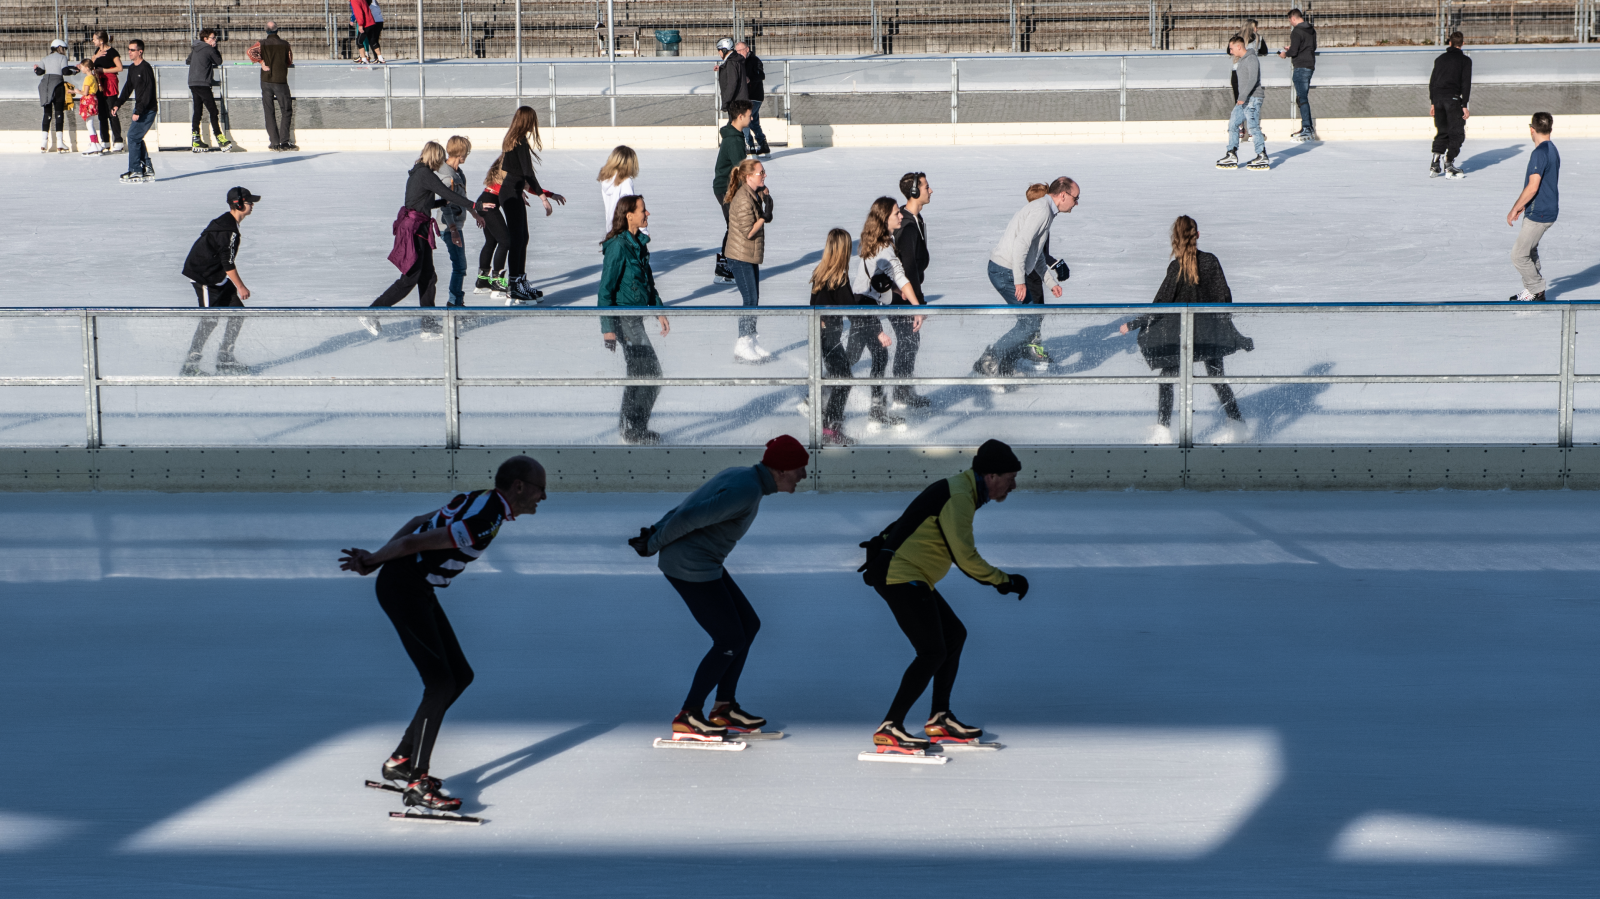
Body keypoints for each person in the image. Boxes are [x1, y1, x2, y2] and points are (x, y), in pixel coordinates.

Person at [339, 455, 547, 813]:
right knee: (440, 684)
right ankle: (418, 781)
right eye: (541, 489)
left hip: (413, 587)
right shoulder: (486, 517)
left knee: (460, 676)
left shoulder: (481, 496)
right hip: (404, 589)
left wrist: (376, 560)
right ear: (519, 487)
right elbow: (412, 543)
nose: (543, 497)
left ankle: (402, 760)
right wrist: (374, 562)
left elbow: (417, 522)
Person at [626, 435, 810, 739]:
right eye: (799, 469)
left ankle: (724, 708)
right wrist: (653, 543)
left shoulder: (743, 476)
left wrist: (655, 532)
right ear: (780, 471)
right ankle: (689, 714)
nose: (804, 475)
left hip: (703, 562)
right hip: (689, 565)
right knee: (728, 639)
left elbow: (688, 505)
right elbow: (688, 515)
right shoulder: (746, 490)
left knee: (748, 626)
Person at [857, 439, 1029, 754]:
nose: (1014, 485)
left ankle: (939, 718)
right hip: (901, 576)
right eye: (1010, 477)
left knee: (953, 636)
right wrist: (1003, 580)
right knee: (931, 651)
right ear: (991, 476)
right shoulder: (960, 496)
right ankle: (890, 727)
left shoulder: (961, 490)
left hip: (912, 576)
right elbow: (965, 557)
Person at [1120, 215, 1250, 444]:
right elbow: (1225, 299)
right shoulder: (1211, 261)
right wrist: (1228, 331)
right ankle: (1237, 423)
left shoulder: (1176, 267)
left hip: (1179, 337)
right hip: (1210, 335)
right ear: (1197, 235)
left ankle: (1163, 429)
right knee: (1217, 377)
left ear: (1175, 239)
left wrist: (1134, 324)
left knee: (1167, 379)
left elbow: (1161, 304)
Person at [363, 141, 484, 338]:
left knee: (428, 277)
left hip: (420, 228)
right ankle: (373, 311)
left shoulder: (419, 173)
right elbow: (447, 193)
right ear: (435, 157)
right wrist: (474, 205)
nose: (441, 162)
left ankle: (428, 326)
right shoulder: (424, 173)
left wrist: (441, 202)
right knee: (410, 278)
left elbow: (420, 201)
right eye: (440, 158)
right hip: (414, 230)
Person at [978, 176, 1077, 380]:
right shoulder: (1042, 210)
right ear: (1063, 195)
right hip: (1003, 269)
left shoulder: (1047, 211)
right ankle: (990, 360)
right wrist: (1019, 281)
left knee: (1028, 322)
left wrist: (1050, 282)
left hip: (1006, 269)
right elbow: (1021, 244)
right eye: (1076, 198)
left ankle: (1002, 366)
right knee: (1030, 323)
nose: (1077, 202)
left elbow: (1036, 253)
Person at [599, 195, 670, 445]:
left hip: (635, 318)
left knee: (639, 374)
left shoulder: (639, 243)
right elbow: (605, 290)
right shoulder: (618, 246)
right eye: (642, 210)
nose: (647, 213)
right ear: (629, 215)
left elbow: (648, 283)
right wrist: (607, 328)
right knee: (651, 374)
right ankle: (634, 428)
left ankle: (630, 427)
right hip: (623, 319)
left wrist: (658, 310)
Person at [849, 197, 920, 427]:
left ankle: (818, 396)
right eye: (896, 213)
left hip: (862, 304)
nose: (901, 216)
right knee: (875, 356)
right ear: (884, 219)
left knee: (854, 357)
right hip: (864, 307)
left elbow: (883, 278)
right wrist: (917, 308)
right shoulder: (884, 248)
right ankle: (875, 411)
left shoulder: (880, 242)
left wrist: (895, 291)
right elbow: (900, 275)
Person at [180, 187, 260, 377]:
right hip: (205, 277)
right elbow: (228, 263)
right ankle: (190, 367)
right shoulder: (228, 230)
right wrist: (240, 286)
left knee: (237, 313)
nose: (252, 205)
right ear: (238, 204)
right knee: (209, 320)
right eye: (249, 202)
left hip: (217, 276)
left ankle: (225, 359)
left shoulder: (228, 224)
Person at [499, 106, 566, 305]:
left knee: (522, 237)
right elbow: (528, 174)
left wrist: (537, 192)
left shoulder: (513, 138)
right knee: (517, 239)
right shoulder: (519, 141)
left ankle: (520, 280)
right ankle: (515, 285)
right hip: (511, 193)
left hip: (513, 191)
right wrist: (543, 197)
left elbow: (519, 174)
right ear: (528, 121)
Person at [810, 228, 858, 447]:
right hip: (830, 337)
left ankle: (826, 420)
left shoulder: (820, 273)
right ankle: (830, 426)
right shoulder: (839, 277)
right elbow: (851, 308)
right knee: (844, 379)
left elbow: (813, 305)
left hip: (823, 336)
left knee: (839, 378)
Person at [724, 157, 774, 364]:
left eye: (763, 172)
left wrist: (764, 199)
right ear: (747, 177)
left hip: (748, 255)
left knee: (754, 299)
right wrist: (765, 215)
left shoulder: (751, 193)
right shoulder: (743, 199)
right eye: (760, 172)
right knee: (749, 300)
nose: (764, 175)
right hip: (739, 256)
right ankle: (742, 344)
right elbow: (748, 233)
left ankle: (751, 339)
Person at [1507, 112, 1559, 302]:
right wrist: (1524, 206)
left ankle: (1536, 290)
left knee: (1518, 255)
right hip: (1546, 209)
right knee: (1530, 251)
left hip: (1540, 213)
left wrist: (1515, 208)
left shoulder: (1539, 153)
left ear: (1532, 129)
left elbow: (1533, 186)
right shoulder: (1552, 149)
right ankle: (1533, 291)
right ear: (1550, 129)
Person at [892, 172, 933, 410]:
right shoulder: (906, 226)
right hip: (901, 295)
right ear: (915, 192)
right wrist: (918, 303)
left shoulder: (914, 219)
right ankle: (901, 393)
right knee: (908, 341)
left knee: (909, 341)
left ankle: (902, 391)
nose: (931, 190)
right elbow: (907, 270)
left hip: (907, 293)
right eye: (927, 186)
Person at [711, 100, 752, 283]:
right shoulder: (734, 140)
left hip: (727, 187)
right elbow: (741, 169)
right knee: (735, 226)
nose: (752, 118)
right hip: (727, 188)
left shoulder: (734, 134)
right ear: (740, 116)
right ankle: (725, 266)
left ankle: (727, 264)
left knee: (734, 226)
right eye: (750, 115)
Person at [1217, 35, 1268, 171]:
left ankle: (1262, 155)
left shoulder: (1251, 59)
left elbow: (1253, 79)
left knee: (1253, 127)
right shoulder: (1242, 61)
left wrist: (1243, 96)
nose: (1230, 51)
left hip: (1252, 98)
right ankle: (1231, 153)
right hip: (1244, 100)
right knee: (1233, 124)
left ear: (1239, 46)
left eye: (1231, 48)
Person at [113, 39, 157, 183]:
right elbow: (127, 88)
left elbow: (147, 93)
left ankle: (136, 170)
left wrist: (138, 111)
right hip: (141, 108)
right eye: (128, 49)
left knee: (132, 136)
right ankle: (147, 168)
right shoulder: (132, 68)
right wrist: (117, 104)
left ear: (140, 51)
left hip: (147, 109)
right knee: (135, 137)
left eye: (132, 50)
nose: (129, 52)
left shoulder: (146, 68)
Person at [1429, 31, 1471, 180]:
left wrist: (1433, 102)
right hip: (1453, 100)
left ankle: (1435, 162)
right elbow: (1466, 84)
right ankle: (1449, 163)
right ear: (1463, 44)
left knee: (1442, 131)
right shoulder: (1465, 61)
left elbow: (1433, 82)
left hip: (1439, 99)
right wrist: (1464, 104)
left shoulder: (1440, 59)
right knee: (1457, 133)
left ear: (1450, 43)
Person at [438, 136, 472, 307]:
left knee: (460, 265)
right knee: (459, 266)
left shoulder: (459, 173)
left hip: (456, 224)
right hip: (449, 226)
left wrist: (475, 212)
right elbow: (445, 205)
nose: (467, 155)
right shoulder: (447, 175)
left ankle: (456, 303)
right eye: (466, 151)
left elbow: (462, 198)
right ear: (460, 153)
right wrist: (452, 229)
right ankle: (455, 304)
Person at [474, 156, 512, 301]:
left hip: (484, 202)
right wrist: (547, 195)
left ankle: (482, 281)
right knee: (505, 241)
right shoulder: (505, 171)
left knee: (491, 242)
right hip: (488, 205)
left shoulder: (499, 170)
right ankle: (497, 281)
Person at [185, 28, 228, 152]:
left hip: (193, 82)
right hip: (203, 83)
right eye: (213, 38)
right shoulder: (209, 49)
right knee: (213, 111)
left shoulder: (195, 48)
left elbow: (188, 61)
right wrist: (214, 48)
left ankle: (196, 138)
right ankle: (219, 137)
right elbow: (219, 61)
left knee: (197, 110)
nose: (215, 40)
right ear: (206, 39)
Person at [1279, 8, 1317, 142]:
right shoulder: (1311, 29)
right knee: (1302, 97)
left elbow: (1294, 51)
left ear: (1293, 18)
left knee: (1302, 98)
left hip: (1300, 66)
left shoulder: (1296, 31)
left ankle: (1307, 126)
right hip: (1310, 65)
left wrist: (1285, 54)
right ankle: (1307, 126)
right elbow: (1313, 47)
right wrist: (1295, 49)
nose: (1290, 23)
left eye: (1290, 21)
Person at [258, 22, 295, 151]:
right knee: (286, 110)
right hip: (280, 80)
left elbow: (250, 51)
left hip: (266, 80)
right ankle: (284, 141)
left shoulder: (261, 43)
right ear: (277, 30)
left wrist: (262, 62)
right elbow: (289, 60)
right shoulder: (285, 44)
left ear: (266, 31)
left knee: (269, 111)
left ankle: (274, 142)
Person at [35, 39, 74, 154]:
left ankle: (43, 143)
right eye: (64, 48)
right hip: (57, 85)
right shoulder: (62, 58)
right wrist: (74, 71)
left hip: (44, 85)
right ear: (59, 47)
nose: (65, 51)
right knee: (58, 113)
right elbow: (65, 71)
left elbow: (39, 72)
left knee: (47, 113)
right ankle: (60, 143)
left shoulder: (45, 58)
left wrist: (35, 68)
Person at [87, 31, 123, 153]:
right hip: (99, 84)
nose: (93, 41)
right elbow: (91, 65)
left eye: (94, 39)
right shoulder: (96, 52)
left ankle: (118, 140)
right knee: (102, 114)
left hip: (109, 83)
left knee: (112, 112)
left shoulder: (112, 52)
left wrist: (104, 70)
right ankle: (105, 141)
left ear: (101, 40)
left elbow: (120, 67)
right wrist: (95, 57)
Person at [597, 145, 640, 231]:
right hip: (624, 229)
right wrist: (643, 231)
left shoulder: (606, 179)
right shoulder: (626, 182)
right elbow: (630, 207)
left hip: (611, 228)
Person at [737, 42, 770, 156]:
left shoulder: (755, 60)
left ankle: (749, 144)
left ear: (747, 49)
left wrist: (749, 79)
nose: (739, 53)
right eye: (737, 51)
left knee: (745, 119)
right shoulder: (738, 61)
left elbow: (761, 75)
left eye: (741, 50)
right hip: (744, 96)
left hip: (754, 96)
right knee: (753, 122)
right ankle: (763, 144)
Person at [73, 60, 104, 155]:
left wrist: (77, 91)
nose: (81, 68)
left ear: (87, 68)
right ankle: (96, 143)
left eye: (82, 67)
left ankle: (93, 145)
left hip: (88, 101)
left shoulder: (88, 78)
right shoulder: (93, 77)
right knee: (91, 124)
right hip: (93, 100)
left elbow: (85, 92)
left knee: (89, 124)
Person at [715, 38, 747, 116]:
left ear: (724, 50)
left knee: (735, 127)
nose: (719, 53)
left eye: (719, 50)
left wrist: (726, 102)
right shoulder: (735, 60)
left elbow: (732, 83)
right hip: (740, 102)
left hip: (736, 103)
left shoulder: (731, 62)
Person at [350, 0, 376, 64]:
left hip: (363, 21)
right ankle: (368, 56)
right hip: (369, 21)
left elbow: (357, 12)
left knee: (360, 40)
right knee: (367, 39)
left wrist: (353, 19)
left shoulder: (354, 1)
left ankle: (364, 57)